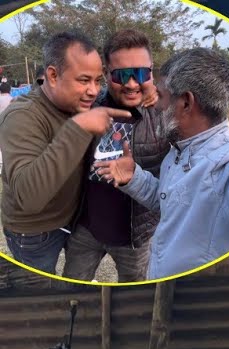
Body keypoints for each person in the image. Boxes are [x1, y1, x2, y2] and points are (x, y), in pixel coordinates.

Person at [92, 48, 229, 280]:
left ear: (185, 102)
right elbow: (170, 203)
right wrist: (134, 177)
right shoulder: (179, 150)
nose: (155, 106)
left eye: (162, 96)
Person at [0, 32, 129, 275]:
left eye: (97, 80)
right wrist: (78, 128)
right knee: (41, 294)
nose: (92, 91)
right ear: (52, 75)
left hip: (72, 219)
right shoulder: (23, 116)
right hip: (35, 232)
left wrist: (150, 92)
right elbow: (30, 196)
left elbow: (123, 96)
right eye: (83, 80)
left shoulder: (77, 102)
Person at [62, 29, 168, 282]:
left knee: (134, 304)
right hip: (86, 231)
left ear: (152, 72)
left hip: (137, 239)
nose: (132, 83)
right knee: (71, 294)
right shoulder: (87, 107)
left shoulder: (167, 114)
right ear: (107, 75)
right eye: (121, 75)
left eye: (141, 73)